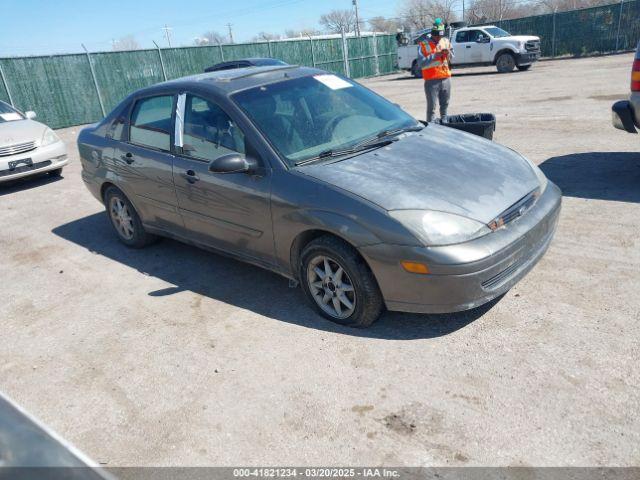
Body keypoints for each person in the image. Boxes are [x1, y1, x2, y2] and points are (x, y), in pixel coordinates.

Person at [418, 20, 453, 122]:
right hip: (431, 81)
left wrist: (448, 54)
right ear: (433, 33)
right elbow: (421, 63)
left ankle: (445, 124)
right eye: (437, 36)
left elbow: (452, 57)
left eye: (441, 36)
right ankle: (431, 129)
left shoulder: (445, 42)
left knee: (445, 106)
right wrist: (435, 56)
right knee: (431, 109)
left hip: (446, 79)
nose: (439, 38)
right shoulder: (423, 45)